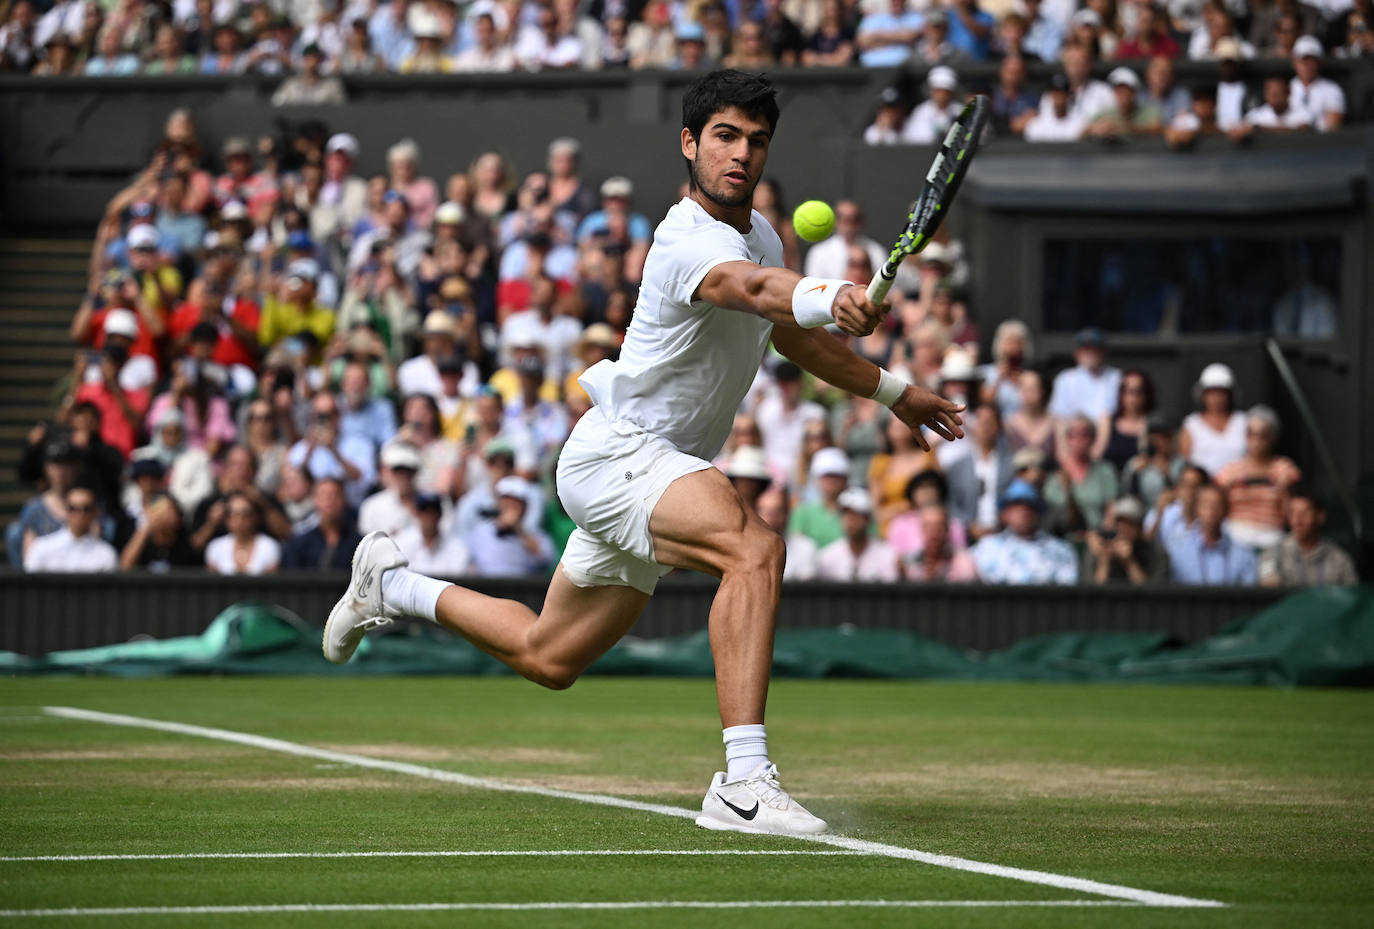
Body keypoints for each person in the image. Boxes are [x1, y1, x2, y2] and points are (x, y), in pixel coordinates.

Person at [323, 70, 963, 838]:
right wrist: (830, 294)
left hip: (653, 474)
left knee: (547, 655)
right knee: (754, 550)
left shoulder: (763, 234)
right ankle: (744, 780)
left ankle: (391, 585)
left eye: (757, 141)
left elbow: (792, 339)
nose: (742, 155)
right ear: (690, 144)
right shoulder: (682, 241)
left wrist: (897, 392)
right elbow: (757, 291)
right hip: (621, 456)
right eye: (725, 136)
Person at [1215, 406, 1301, 551]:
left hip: (1272, 536)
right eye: (1251, 434)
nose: (1256, 441)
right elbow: (1216, 512)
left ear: (1273, 438)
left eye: (1262, 435)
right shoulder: (1230, 470)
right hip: (1235, 534)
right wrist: (1224, 491)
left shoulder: (1285, 469)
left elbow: (1294, 516)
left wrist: (1285, 490)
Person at [971, 479, 1079, 584]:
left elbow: (1067, 594)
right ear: (1004, 514)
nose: (1024, 510)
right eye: (1016, 504)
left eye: (1030, 505)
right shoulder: (986, 548)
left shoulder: (1060, 551)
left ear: (1038, 512)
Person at [1258, 491, 1360, 587]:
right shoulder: (1274, 554)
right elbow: (1269, 591)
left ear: (1320, 516)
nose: (1297, 520)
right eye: (1292, 513)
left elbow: (1351, 596)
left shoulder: (1339, 558)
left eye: (1305, 513)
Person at [1164, 482, 1257, 585]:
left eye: (1217, 504)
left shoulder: (1243, 554)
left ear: (1226, 510)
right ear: (1196, 509)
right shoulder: (1175, 550)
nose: (1211, 509)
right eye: (1205, 503)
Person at [465, 477, 555, 576]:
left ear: (525, 508)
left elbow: (545, 560)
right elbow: (467, 564)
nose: (509, 506)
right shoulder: (480, 532)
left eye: (515, 502)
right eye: (505, 500)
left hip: (521, 588)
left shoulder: (537, 536)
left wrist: (519, 530)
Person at [23, 485, 118, 573]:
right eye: (73, 508)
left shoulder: (106, 554)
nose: (80, 514)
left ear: (95, 512)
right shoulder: (42, 547)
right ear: (65, 511)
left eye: (86, 509)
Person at [814, 487, 901, 582]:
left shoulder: (888, 555)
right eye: (845, 514)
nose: (850, 520)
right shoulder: (827, 557)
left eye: (856, 514)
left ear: (867, 519)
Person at [1179, 362, 1246, 476]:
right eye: (1211, 393)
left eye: (1221, 393)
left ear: (1230, 395)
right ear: (1202, 395)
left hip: (1240, 488)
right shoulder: (1191, 425)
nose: (1217, 398)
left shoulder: (1244, 422)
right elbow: (1184, 463)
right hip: (1202, 490)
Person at [1084, 496, 1169, 584]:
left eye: (1129, 524)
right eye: (1119, 523)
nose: (1123, 528)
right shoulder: (1102, 548)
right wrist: (1104, 562)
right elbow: (1093, 594)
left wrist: (1129, 562)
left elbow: (1152, 594)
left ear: (1139, 527)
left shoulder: (1155, 552)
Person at [1048, 327, 1122, 426]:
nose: (1090, 353)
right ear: (1077, 353)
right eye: (1085, 349)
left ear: (1103, 352)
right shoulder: (1065, 378)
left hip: (1110, 433)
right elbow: (1058, 416)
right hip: (1074, 435)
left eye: (1094, 349)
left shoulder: (1116, 377)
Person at [393, 493, 470, 577]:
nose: (429, 517)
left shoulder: (456, 547)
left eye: (433, 512)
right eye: (424, 512)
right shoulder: (402, 542)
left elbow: (458, 579)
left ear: (440, 514)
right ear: (417, 514)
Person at [204, 492, 282, 575]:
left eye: (245, 513)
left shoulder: (269, 546)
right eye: (234, 514)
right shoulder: (215, 546)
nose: (240, 519)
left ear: (256, 517)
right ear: (227, 518)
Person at [754, 485, 818, 581]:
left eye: (775, 512)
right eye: (765, 512)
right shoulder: (745, 549)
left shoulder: (806, 547)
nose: (769, 519)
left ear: (786, 514)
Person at [902, 503, 978, 582]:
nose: (933, 532)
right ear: (921, 529)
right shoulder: (908, 562)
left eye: (938, 526)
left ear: (947, 530)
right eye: (928, 526)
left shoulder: (963, 561)